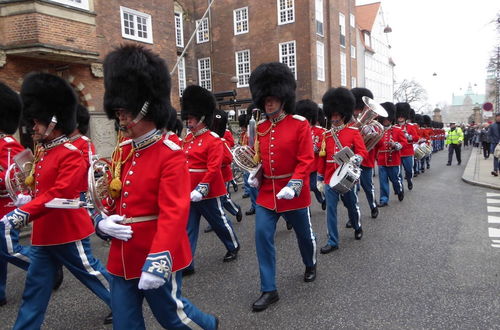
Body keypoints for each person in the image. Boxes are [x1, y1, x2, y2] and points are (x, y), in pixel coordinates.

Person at [95, 45, 218, 329]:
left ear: (145, 109)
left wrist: (159, 258)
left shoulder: (171, 152)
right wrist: (103, 222)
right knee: (124, 324)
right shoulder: (123, 150)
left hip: (155, 252)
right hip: (121, 255)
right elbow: (111, 198)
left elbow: (175, 212)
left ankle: (209, 326)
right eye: (119, 112)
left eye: (125, 112)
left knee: (173, 318)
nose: (120, 118)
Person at [1, 72, 112, 329]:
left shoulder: (71, 152)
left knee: (93, 274)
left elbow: (61, 192)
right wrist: (26, 196)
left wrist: (24, 212)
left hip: (66, 228)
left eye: (37, 122)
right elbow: (40, 186)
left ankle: (122, 302)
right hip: (43, 232)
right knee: (34, 290)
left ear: (53, 121)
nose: (33, 127)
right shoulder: (43, 151)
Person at [247, 62, 317, 311]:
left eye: (273, 97)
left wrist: (295, 184)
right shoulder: (261, 127)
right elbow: (259, 158)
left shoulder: (299, 125)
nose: (268, 102)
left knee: (304, 236)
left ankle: (310, 263)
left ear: (283, 97)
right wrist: (255, 174)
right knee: (262, 236)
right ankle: (269, 289)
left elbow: (306, 159)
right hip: (267, 193)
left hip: (293, 191)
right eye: (265, 98)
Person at [181, 85, 240, 275]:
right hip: (189, 190)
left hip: (208, 191)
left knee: (219, 222)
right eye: (188, 119)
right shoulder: (187, 140)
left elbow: (214, 167)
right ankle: (188, 262)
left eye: (191, 119)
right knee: (188, 227)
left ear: (201, 118)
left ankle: (233, 245)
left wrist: (202, 188)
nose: (188, 123)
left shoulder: (213, 139)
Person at [317, 87, 368, 254]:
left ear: (343, 114)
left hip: (346, 175)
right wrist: (320, 178)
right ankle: (332, 240)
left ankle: (357, 225)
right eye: (332, 115)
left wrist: (357, 158)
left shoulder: (353, 132)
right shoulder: (326, 135)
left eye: (337, 115)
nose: (335, 118)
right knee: (330, 209)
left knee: (351, 205)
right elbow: (323, 158)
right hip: (330, 177)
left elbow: (362, 152)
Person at [0, 81, 31, 307]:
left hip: (6, 208)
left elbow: (18, 178)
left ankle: (43, 267)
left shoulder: (8, 144)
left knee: (8, 249)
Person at [204, 109, 242, 233]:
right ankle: (214, 222)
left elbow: (228, 158)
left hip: (223, 175)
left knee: (222, 199)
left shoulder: (222, 138)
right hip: (210, 175)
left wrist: (216, 162)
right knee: (214, 201)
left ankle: (236, 210)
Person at [350, 87, 379, 219]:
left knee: (367, 186)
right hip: (351, 160)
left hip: (365, 160)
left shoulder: (372, 122)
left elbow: (378, 141)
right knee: (352, 190)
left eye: (358, 108)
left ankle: (373, 205)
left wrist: (371, 132)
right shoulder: (349, 122)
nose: (356, 111)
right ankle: (354, 217)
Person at [295, 99, 326, 210]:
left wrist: (314, 147)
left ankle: (322, 199)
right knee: (304, 189)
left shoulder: (320, 130)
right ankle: (306, 209)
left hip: (315, 165)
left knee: (314, 186)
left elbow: (323, 144)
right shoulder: (297, 130)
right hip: (301, 165)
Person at [373, 102, 406, 207]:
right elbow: (375, 145)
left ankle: (399, 190)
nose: (386, 121)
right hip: (382, 160)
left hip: (394, 160)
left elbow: (404, 142)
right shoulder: (378, 131)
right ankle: (384, 199)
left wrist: (396, 145)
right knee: (383, 182)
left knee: (395, 180)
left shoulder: (397, 130)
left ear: (391, 119)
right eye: (384, 119)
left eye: (387, 119)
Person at [395, 102, 419, 191]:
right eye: (399, 116)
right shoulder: (394, 127)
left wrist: (409, 136)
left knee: (409, 171)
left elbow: (416, 138)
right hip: (397, 152)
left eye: (402, 116)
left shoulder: (410, 127)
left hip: (408, 152)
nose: (400, 117)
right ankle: (400, 187)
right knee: (398, 173)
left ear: (405, 116)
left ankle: (409, 180)